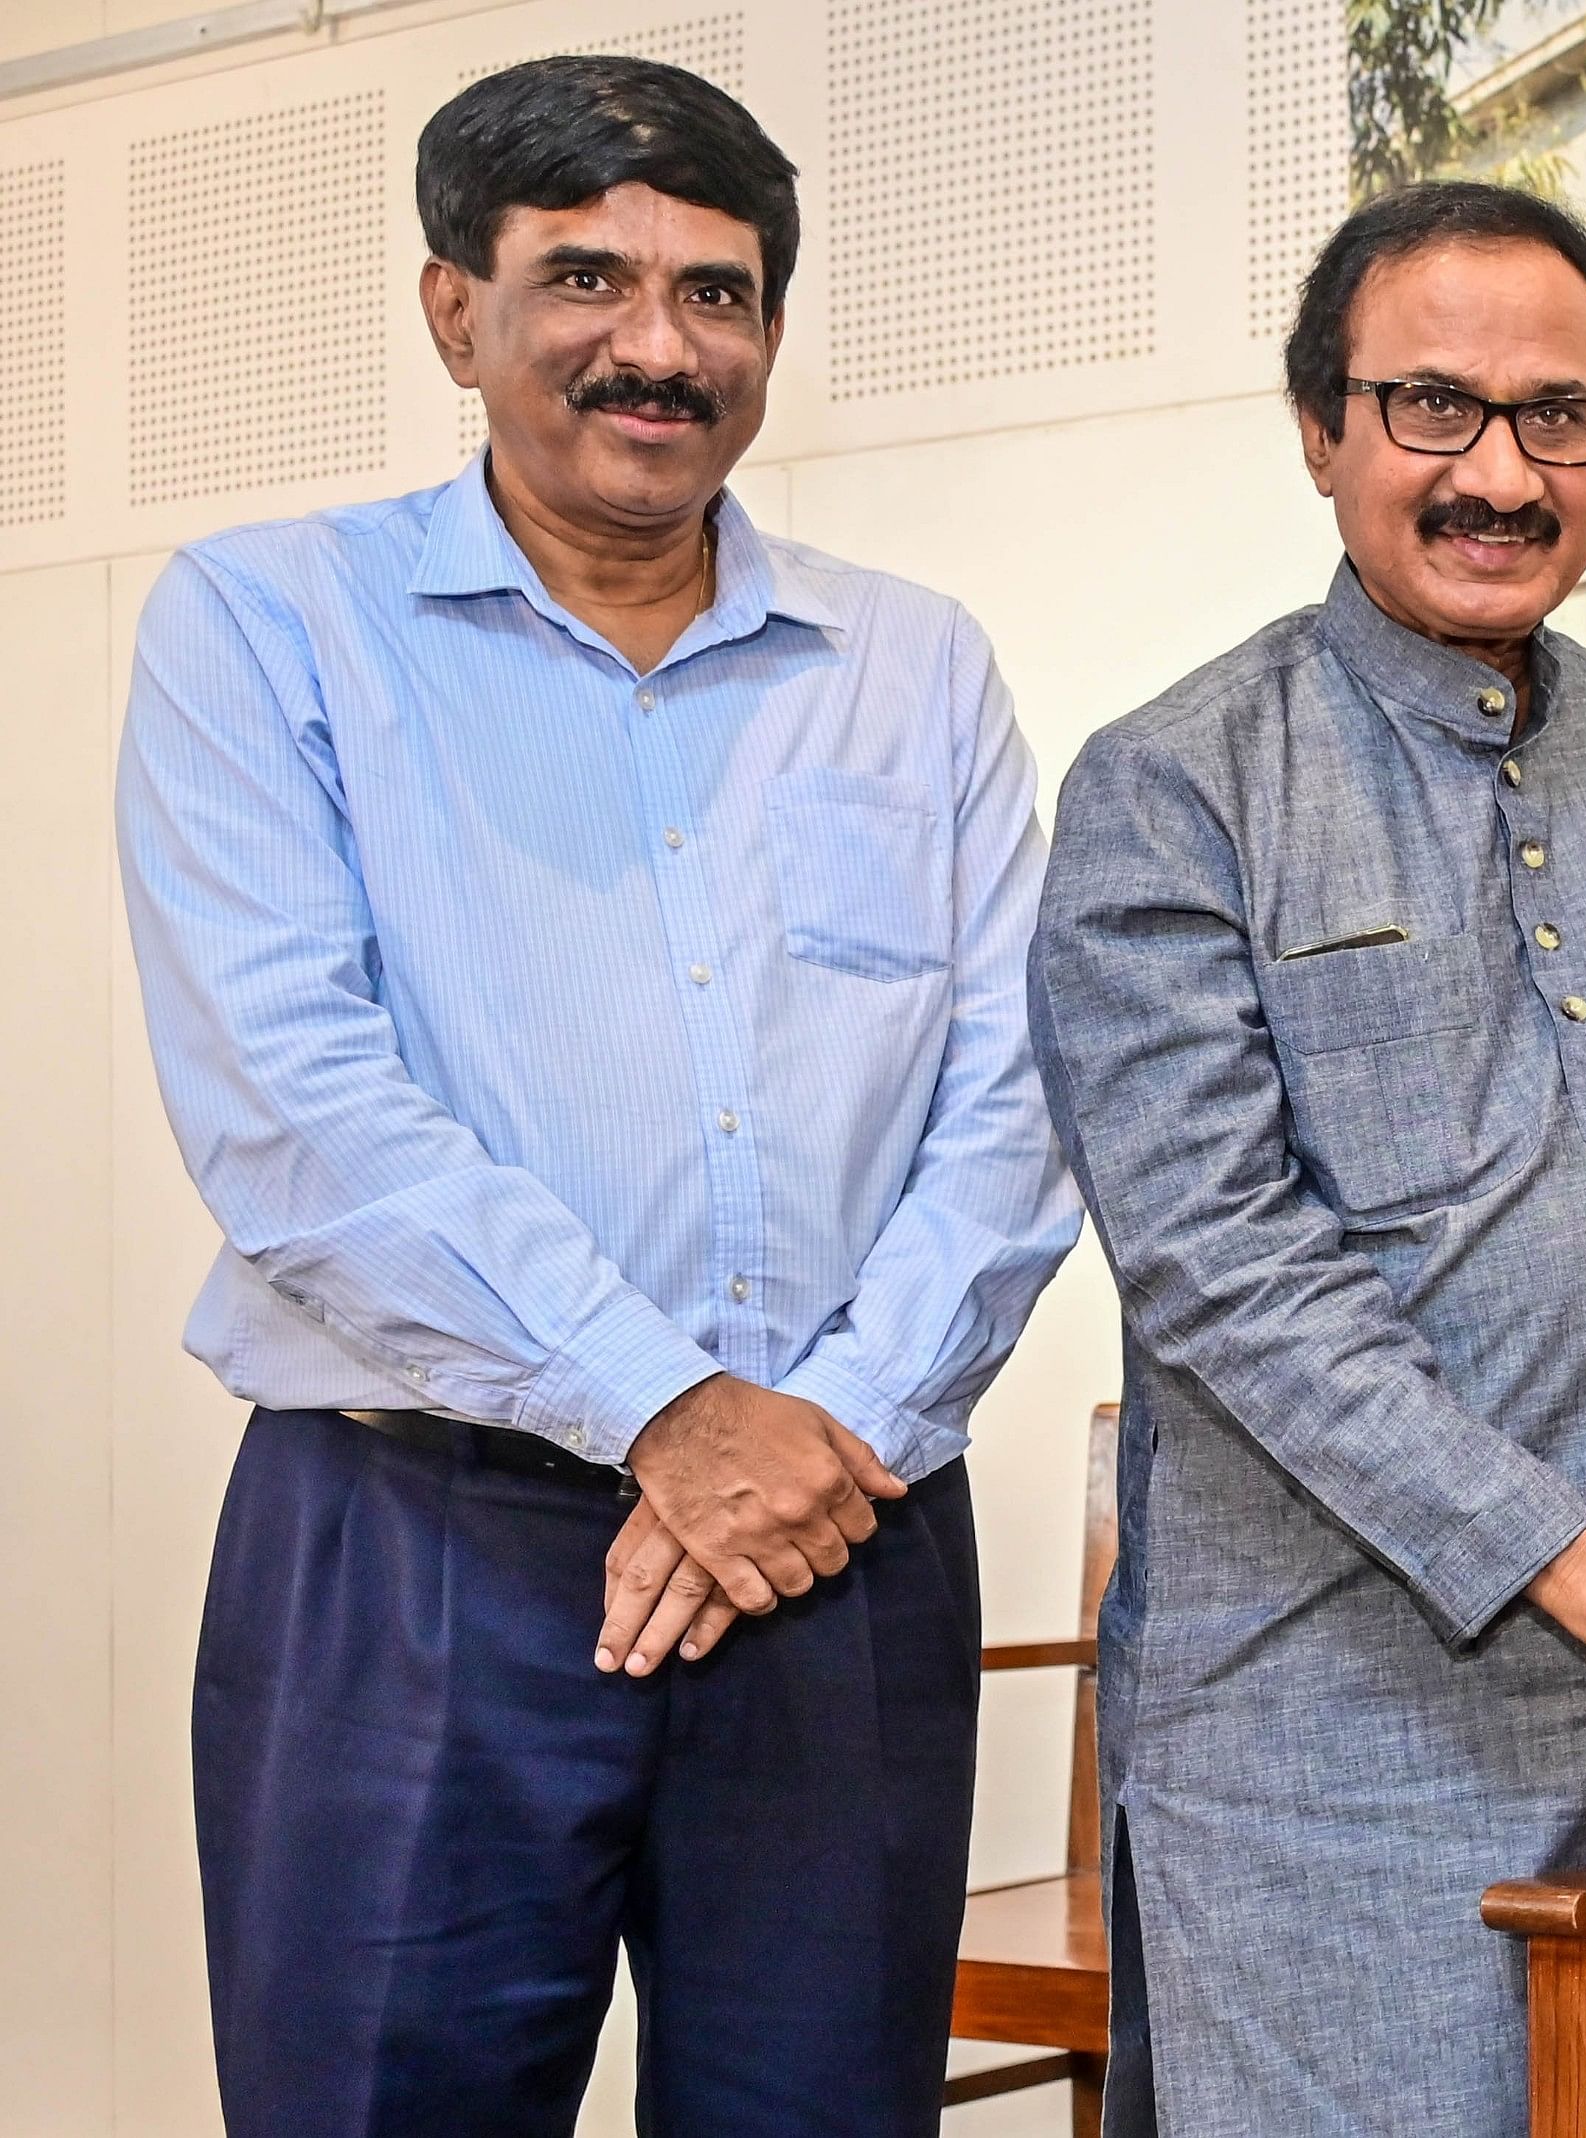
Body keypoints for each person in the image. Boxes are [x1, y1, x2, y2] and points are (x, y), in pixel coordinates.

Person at [115, 57, 1079, 2136]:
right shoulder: (269, 628)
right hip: (420, 1540)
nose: (660, 347)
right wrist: (662, 1408)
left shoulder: (910, 668)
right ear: (455, 309)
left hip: (845, 1534)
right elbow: (294, 1108)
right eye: (587, 278)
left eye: (717, 294)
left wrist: (828, 1441)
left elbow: (1018, 1100)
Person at [1025, 181, 1586, 2136]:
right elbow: (1223, 1269)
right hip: (1336, 1762)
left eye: (1556, 418)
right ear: (1320, 431)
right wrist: (1576, 1558)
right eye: (1430, 408)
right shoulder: (1178, 786)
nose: (1497, 470)